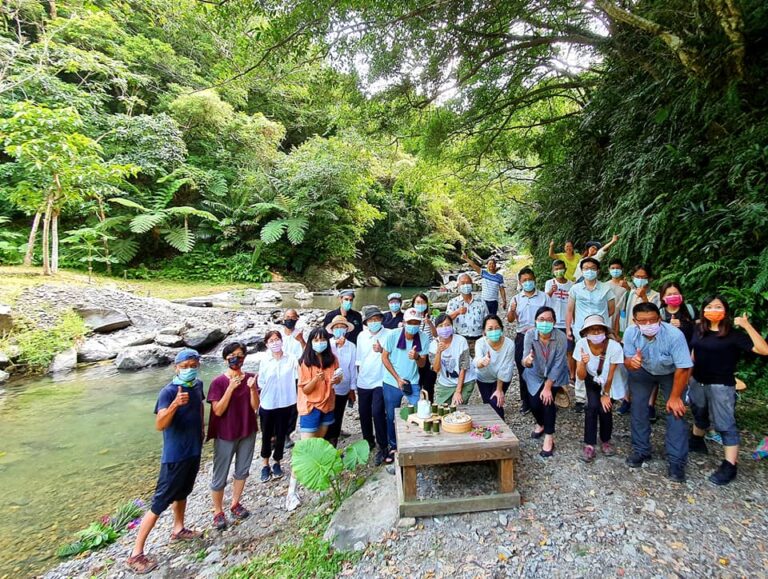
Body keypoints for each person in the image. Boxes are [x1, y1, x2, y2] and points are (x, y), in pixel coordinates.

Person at [127, 349, 205, 574]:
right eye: (185, 365)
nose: (190, 369)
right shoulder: (168, 392)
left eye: (193, 365)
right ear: (176, 367)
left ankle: (178, 528)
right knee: (159, 502)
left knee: (183, 492)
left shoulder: (197, 385)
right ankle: (136, 553)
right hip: (174, 455)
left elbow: (199, 407)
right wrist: (174, 405)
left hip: (193, 450)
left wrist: (202, 431)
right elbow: (160, 424)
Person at [688, 296, 768, 485]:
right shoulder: (699, 329)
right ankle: (697, 441)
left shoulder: (734, 335)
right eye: (709, 306)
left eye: (718, 307)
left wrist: (747, 325)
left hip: (721, 385)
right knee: (698, 412)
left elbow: (764, 350)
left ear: (726, 311)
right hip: (697, 380)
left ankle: (730, 465)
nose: (713, 310)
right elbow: (693, 354)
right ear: (703, 310)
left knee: (725, 423)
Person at [623, 302, 693, 482]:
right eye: (643, 321)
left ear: (660, 319)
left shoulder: (674, 336)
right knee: (638, 408)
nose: (648, 324)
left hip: (671, 373)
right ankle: (641, 450)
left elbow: (683, 368)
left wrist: (676, 396)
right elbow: (627, 361)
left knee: (675, 411)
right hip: (643, 371)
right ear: (635, 321)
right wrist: (632, 363)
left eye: (652, 320)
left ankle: (676, 461)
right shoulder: (631, 333)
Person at [286, 328, 343, 511]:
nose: (320, 342)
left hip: (327, 405)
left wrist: (337, 380)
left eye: (323, 339)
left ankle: (317, 482)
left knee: (318, 444)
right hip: (310, 408)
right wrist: (316, 380)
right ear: (311, 341)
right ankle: (291, 492)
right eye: (317, 339)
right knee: (304, 449)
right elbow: (305, 389)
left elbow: (336, 380)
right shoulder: (305, 361)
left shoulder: (332, 359)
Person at [206, 342, 259, 530]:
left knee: (242, 469)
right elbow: (218, 410)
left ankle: (235, 503)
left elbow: (254, 407)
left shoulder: (251, 378)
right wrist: (230, 388)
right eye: (232, 355)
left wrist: (252, 388)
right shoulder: (218, 382)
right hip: (226, 433)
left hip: (247, 429)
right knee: (220, 474)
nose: (236, 358)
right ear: (226, 358)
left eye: (240, 355)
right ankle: (217, 511)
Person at [566, 257, 616, 413]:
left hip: (600, 331)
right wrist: (569, 329)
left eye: (592, 268)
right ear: (582, 270)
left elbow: (611, 309)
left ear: (598, 270)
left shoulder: (606, 289)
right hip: (581, 331)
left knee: (602, 361)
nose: (589, 271)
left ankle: (604, 393)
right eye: (586, 268)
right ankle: (580, 399)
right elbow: (570, 310)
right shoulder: (575, 289)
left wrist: (599, 323)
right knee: (582, 361)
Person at [573, 315, 626, 462]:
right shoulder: (581, 345)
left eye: (599, 330)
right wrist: (583, 363)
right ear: (586, 333)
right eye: (592, 330)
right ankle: (589, 444)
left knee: (605, 408)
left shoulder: (614, 347)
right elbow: (581, 376)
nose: (596, 333)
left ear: (605, 332)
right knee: (591, 407)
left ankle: (605, 440)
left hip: (610, 382)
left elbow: (611, 374)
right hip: (591, 379)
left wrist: (606, 394)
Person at [381, 308, 430, 462]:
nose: (413, 326)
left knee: (418, 412)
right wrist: (397, 379)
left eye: (416, 323)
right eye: (410, 322)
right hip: (392, 381)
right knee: (390, 415)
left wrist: (416, 357)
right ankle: (393, 445)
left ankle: (416, 442)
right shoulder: (393, 335)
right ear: (404, 323)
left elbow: (422, 364)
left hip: (413, 381)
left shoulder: (423, 337)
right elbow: (384, 358)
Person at [522, 306, 569, 457]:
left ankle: (549, 436)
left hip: (554, 376)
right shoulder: (530, 335)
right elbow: (524, 360)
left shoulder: (560, 337)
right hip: (534, 374)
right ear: (536, 321)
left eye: (549, 320)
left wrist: (548, 387)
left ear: (554, 322)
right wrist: (528, 361)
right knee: (534, 404)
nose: (545, 323)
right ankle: (541, 424)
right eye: (541, 320)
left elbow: (559, 363)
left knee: (547, 401)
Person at [615, 265, 661, 419]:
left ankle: (650, 405)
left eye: (643, 277)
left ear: (650, 279)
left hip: (650, 337)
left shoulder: (656, 296)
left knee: (652, 369)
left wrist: (644, 298)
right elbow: (621, 313)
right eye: (637, 277)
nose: (640, 280)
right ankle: (626, 400)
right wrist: (617, 334)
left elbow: (656, 315)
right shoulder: (629, 294)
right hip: (630, 337)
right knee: (627, 368)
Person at [257, 330, 298, 484]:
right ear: (266, 344)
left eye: (277, 339)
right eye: (271, 341)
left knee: (281, 434)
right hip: (268, 403)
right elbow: (261, 382)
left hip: (286, 402)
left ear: (282, 341)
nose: (275, 343)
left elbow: (300, 374)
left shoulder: (291, 358)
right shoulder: (264, 360)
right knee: (267, 435)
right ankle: (265, 464)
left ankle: (277, 462)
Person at [507, 267, 548, 414]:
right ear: (520, 282)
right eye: (524, 280)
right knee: (523, 368)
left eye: (530, 279)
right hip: (522, 337)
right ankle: (526, 401)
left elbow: (550, 317)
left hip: (541, 336)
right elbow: (510, 320)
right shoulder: (516, 299)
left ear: (535, 279)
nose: (528, 282)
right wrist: (512, 310)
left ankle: (543, 398)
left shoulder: (544, 297)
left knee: (542, 368)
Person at [356, 305, 390, 466]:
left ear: (382, 320)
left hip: (381, 379)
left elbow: (393, 355)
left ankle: (383, 445)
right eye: (371, 320)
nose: (374, 322)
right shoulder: (361, 336)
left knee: (377, 412)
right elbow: (358, 359)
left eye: (377, 319)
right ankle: (368, 440)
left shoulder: (389, 334)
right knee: (363, 413)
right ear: (366, 322)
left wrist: (382, 349)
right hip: (363, 379)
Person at [324, 315, 358, 448]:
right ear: (332, 330)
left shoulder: (351, 346)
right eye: (336, 327)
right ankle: (324, 443)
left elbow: (352, 368)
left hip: (344, 387)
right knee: (327, 415)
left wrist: (352, 388)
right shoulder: (327, 345)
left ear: (346, 329)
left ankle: (333, 444)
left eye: (342, 327)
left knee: (338, 415)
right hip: (328, 387)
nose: (339, 330)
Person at [474, 314, 515, 418]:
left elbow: (505, 368)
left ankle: (500, 430)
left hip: (502, 378)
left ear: (502, 329)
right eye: (490, 329)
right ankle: (492, 428)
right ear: (484, 332)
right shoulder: (480, 343)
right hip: (484, 378)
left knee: (495, 402)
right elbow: (477, 361)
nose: (494, 331)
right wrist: (482, 362)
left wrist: (499, 389)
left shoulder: (509, 344)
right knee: (488, 405)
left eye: (497, 328)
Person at [430, 314, 476, 405]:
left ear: (452, 326)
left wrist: (458, 391)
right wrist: (439, 352)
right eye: (441, 326)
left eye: (447, 325)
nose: (444, 328)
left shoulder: (461, 341)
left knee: (456, 408)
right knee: (440, 409)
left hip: (465, 380)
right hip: (445, 383)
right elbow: (436, 369)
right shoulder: (433, 345)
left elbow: (464, 367)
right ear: (436, 329)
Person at [545, 259, 575, 384]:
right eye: (556, 269)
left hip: (568, 322)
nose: (559, 271)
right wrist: (551, 291)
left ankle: (572, 374)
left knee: (569, 349)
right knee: (553, 349)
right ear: (553, 271)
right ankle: (552, 373)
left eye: (561, 268)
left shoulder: (571, 285)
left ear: (565, 269)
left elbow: (574, 303)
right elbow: (545, 299)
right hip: (554, 322)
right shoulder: (549, 283)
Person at [446, 273, 489, 354]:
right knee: (462, 365)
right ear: (458, 285)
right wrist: (457, 312)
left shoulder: (481, 301)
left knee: (479, 364)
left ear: (472, 284)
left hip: (479, 340)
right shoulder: (453, 302)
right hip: (460, 340)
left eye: (468, 283)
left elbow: (487, 320)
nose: (466, 285)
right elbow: (445, 320)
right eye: (463, 283)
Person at [280, 309, 304, 449]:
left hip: (295, 375)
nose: (289, 319)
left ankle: (287, 433)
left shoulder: (299, 334)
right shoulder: (278, 335)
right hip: (280, 375)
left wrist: (301, 340)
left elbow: (306, 353)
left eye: (292, 317)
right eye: (287, 317)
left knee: (293, 407)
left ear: (297, 318)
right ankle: (275, 434)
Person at [413, 292, 437, 401]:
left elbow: (436, 335)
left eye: (423, 302)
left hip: (429, 354)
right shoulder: (410, 318)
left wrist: (430, 323)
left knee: (428, 383)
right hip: (415, 353)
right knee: (416, 382)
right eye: (418, 302)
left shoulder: (432, 317)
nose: (420, 304)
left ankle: (429, 404)